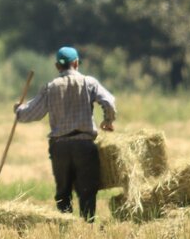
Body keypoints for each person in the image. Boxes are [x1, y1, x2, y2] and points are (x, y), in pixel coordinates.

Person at [14, 46, 116, 223]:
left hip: (60, 147)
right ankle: (87, 227)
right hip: (85, 146)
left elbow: (31, 114)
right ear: (76, 63)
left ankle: (65, 228)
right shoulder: (88, 82)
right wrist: (108, 120)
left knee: (63, 192)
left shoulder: (50, 87)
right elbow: (109, 101)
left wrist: (18, 110)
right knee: (87, 192)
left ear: (57, 66)